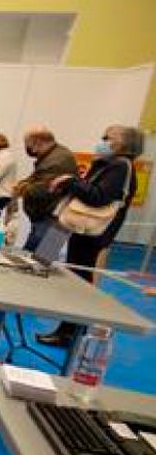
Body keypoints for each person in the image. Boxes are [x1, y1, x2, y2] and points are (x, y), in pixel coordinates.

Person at [36, 125, 144, 348]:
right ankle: (67, 331)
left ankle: (70, 333)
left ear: (125, 144)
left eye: (108, 138)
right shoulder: (108, 164)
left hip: (93, 236)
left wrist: (71, 182)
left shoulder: (120, 166)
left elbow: (98, 197)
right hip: (85, 233)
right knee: (75, 282)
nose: (102, 141)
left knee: (79, 285)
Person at [15, 126, 79, 252]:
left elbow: (42, 190)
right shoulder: (54, 155)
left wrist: (21, 188)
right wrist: (24, 184)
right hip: (50, 217)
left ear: (37, 142)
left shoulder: (57, 161)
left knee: (37, 257)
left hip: (52, 218)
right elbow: (37, 178)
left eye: (27, 144)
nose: (27, 148)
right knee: (37, 256)